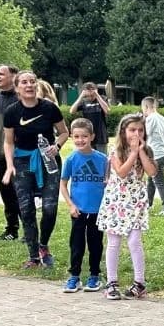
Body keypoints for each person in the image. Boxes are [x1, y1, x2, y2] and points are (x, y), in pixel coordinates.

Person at [3, 70, 69, 270]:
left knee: (50, 208)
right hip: (23, 162)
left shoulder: (49, 108)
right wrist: (9, 165)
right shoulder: (12, 112)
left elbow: (64, 132)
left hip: (48, 161)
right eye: (24, 82)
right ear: (17, 88)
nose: (29, 85)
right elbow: (8, 143)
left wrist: (56, 146)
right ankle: (33, 256)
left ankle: (43, 245)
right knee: (27, 210)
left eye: (32, 81)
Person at [98, 113, 154, 300]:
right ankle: (112, 282)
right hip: (116, 201)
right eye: (132, 130)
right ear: (123, 132)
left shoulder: (146, 150)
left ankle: (140, 283)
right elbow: (121, 172)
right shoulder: (115, 151)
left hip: (136, 201)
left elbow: (152, 171)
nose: (136, 133)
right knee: (113, 243)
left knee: (134, 242)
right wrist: (133, 153)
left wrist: (141, 152)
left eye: (140, 130)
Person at [60, 118, 109, 293]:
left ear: (92, 136)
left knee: (96, 243)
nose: (80, 140)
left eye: (84, 136)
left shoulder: (103, 159)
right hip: (78, 211)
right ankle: (74, 276)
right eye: (76, 136)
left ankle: (95, 275)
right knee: (77, 244)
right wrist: (71, 205)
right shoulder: (71, 159)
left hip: (98, 211)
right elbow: (63, 184)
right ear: (72, 137)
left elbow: (108, 184)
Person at [0, 65, 22, 241]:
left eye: (1, 74)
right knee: (6, 191)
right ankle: (11, 229)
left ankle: (29, 229)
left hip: (18, 153)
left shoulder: (21, 97)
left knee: (22, 191)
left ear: (13, 77)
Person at [142, 96, 164, 215]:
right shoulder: (163, 119)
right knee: (151, 180)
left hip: (157, 155)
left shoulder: (150, 119)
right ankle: (148, 204)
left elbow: (145, 135)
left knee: (159, 182)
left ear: (146, 106)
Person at [71, 81, 110, 155]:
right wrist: (81, 96)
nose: (90, 96)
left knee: (102, 158)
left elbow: (107, 111)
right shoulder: (83, 102)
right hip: (87, 134)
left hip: (100, 134)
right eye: (88, 92)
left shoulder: (102, 99)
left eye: (92, 90)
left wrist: (97, 95)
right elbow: (72, 111)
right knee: (87, 156)